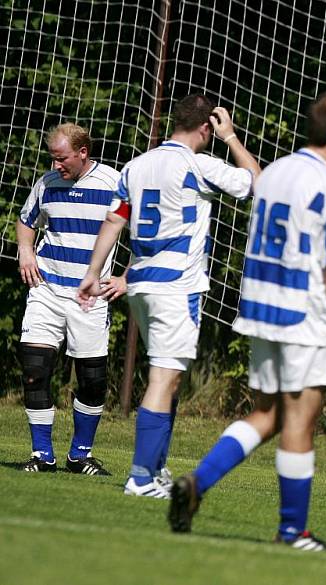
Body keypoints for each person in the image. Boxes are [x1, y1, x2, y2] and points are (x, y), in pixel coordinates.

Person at [167, 92, 326, 552]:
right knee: (299, 421)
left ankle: (197, 483)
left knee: (267, 414)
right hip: (301, 315)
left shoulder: (273, 174)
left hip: (259, 309)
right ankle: (293, 530)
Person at [78, 94, 260, 498]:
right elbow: (257, 184)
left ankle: (155, 469)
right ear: (205, 128)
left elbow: (114, 219)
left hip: (140, 283)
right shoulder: (200, 163)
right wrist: (231, 138)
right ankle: (141, 478)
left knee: (167, 376)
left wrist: (93, 273)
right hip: (176, 284)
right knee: (164, 377)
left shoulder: (136, 165)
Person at [16, 123, 125, 475]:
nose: (56, 165)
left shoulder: (113, 183)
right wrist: (25, 251)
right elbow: (25, 221)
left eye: (61, 158)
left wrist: (125, 277)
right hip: (46, 288)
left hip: (89, 295)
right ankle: (41, 455)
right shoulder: (47, 184)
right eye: (53, 158)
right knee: (34, 369)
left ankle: (80, 456)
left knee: (92, 378)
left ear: (82, 152)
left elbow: (141, 230)